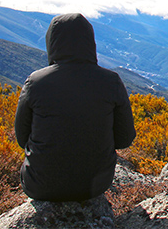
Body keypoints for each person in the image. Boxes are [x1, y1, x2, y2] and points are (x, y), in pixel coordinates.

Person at [15, 13, 136, 202]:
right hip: (94, 186)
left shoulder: (36, 82)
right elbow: (125, 138)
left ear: (51, 42)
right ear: (90, 42)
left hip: (40, 186)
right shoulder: (111, 81)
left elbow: (22, 138)